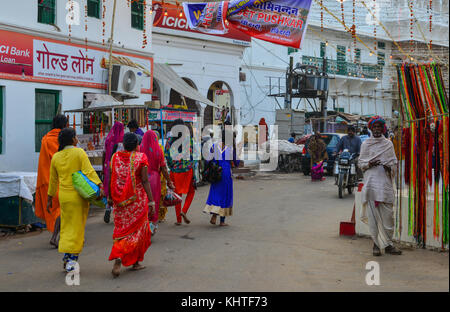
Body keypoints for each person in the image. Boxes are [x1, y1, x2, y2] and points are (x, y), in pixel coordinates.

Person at [47, 128, 103, 272]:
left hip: (64, 197)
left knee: (66, 227)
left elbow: (52, 181)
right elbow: (89, 171)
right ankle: (72, 260)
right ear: (72, 139)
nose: (77, 138)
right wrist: (100, 185)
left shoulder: (56, 157)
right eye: (76, 136)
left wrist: (49, 199)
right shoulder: (79, 153)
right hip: (78, 196)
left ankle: (66, 257)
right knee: (77, 229)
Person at [108, 133, 154, 277]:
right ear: (136, 145)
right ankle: (124, 258)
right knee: (138, 232)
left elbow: (112, 177)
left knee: (123, 231)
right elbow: (145, 181)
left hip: (119, 202)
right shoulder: (141, 158)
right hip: (137, 201)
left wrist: (110, 196)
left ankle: (129, 260)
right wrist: (152, 201)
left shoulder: (115, 157)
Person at [358, 116, 402, 257]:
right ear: (371, 128)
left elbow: (394, 164)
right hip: (371, 185)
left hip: (385, 185)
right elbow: (361, 163)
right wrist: (369, 164)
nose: (377, 129)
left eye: (379, 127)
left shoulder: (388, 144)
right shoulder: (366, 144)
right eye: (374, 127)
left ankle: (388, 244)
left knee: (388, 217)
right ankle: (376, 245)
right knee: (373, 218)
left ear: (382, 129)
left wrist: (388, 167)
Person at [35, 114, 67, 248]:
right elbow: (61, 159)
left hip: (46, 179)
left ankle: (58, 236)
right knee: (61, 209)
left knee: (56, 209)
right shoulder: (61, 139)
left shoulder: (46, 138)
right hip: (58, 179)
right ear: (64, 125)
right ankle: (56, 237)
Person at [203, 129, 241, 226]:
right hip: (226, 174)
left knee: (216, 194)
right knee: (225, 195)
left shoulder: (214, 146)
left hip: (216, 173)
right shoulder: (230, 149)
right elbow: (236, 163)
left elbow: (207, 160)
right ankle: (222, 221)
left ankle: (214, 215)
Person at [140, 130, 175, 234]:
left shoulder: (139, 149)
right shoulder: (158, 149)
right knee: (154, 202)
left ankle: (144, 226)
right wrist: (169, 181)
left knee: (143, 202)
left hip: (142, 178)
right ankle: (152, 226)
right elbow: (164, 168)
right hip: (155, 179)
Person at [164, 119, 196, 225]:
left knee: (177, 194)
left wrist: (171, 166)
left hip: (175, 171)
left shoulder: (169, 140)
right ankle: (184, 211)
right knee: (191, 191)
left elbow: (167, 155)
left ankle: (178, 220)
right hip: (187, 169)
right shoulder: (188, 139)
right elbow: (193, 155)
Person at [103, 122, 124, 224]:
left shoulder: (107, 139)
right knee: (119, 188)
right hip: (119, 166)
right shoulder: (122, 141)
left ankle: (108, 207)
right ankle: (118, 212)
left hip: (108, 165)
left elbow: (103, 153)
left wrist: (105, 164)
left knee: (110, 186)